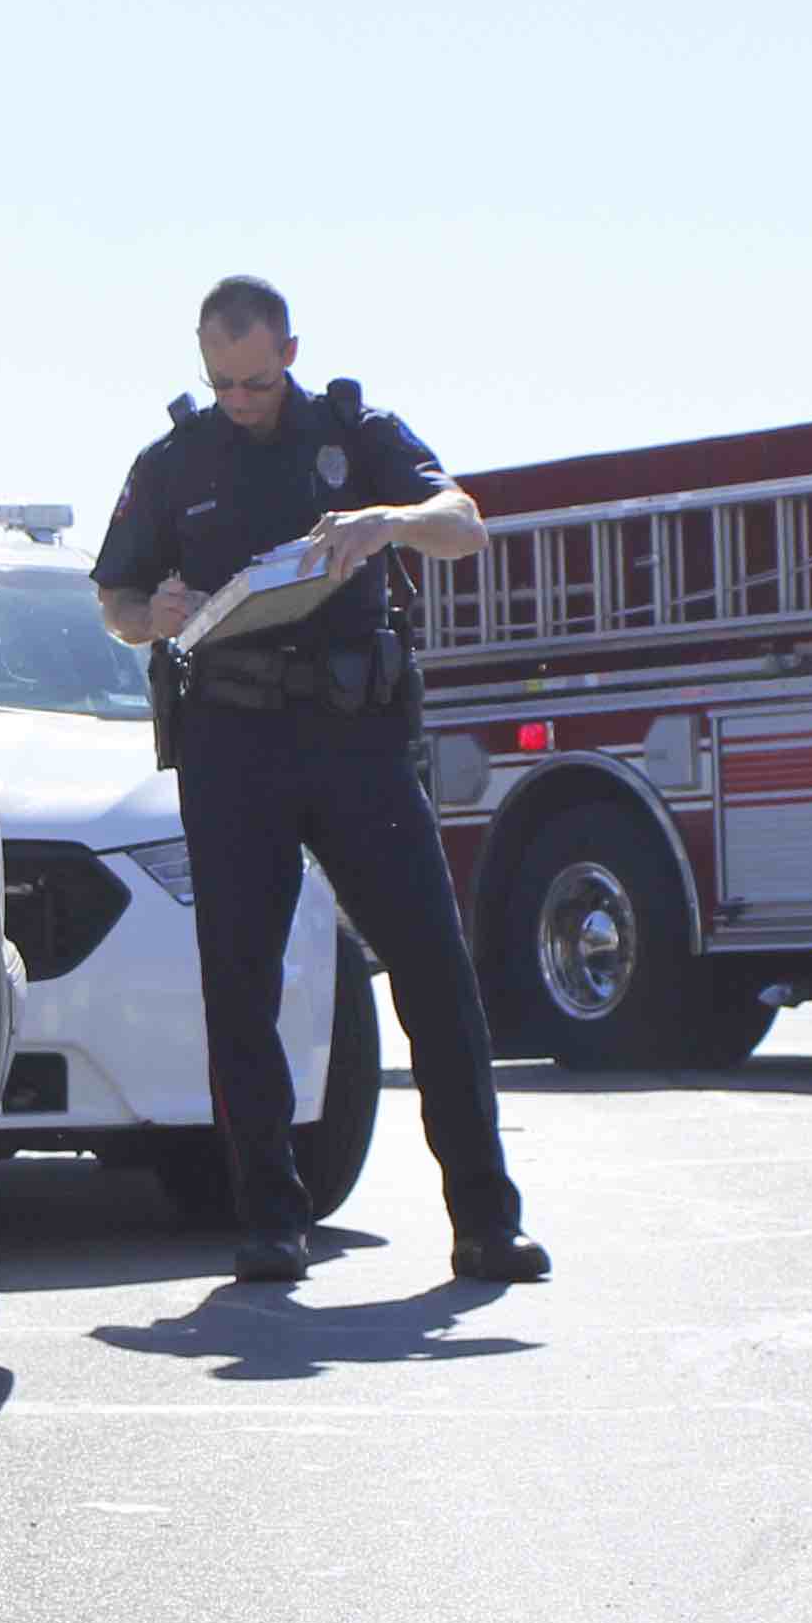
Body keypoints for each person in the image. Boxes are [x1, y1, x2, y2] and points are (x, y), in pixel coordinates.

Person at [91, 275, 546, 1289]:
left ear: (289, 351)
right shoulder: (173, 463)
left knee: (434, 969)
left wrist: (384, 522)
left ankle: (486, 1220)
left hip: (355, 739)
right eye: (223, 383)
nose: (241, 400)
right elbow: (115, 598)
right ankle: (271, 1222)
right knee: (239, 984)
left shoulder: (355, 431)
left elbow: (463, 522)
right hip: (232, 743)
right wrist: (150, 611)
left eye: (255, 381)